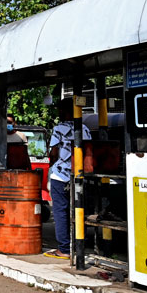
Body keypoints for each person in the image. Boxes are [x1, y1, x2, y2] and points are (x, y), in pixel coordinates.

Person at [44, 98, 91, 259]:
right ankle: (78, 245)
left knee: (60, 211)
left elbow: (54, 153)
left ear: (64, 111)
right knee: (77, 210)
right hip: (78, 175)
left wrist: (52, 160)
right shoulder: (84, 129)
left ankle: (64, 249)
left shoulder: (59, 128)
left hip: (60, 176)